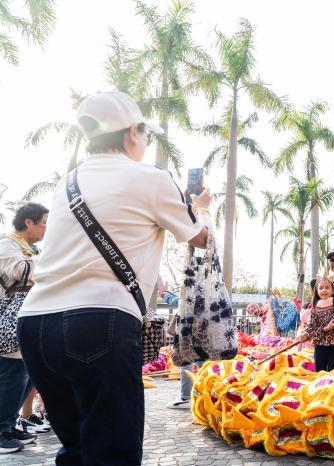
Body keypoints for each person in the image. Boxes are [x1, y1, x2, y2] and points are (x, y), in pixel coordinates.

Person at [17, 91, 212, 465]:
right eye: (145, 134)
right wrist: (200, 208)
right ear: (133, 132)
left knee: (76, 450)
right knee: (112, 455)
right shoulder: (151, 178)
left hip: (36, 326)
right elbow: (201, 238)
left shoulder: (67, 183)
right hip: (98, 322)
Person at [0, 203, 48, 454]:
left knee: (28, 375)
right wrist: (49, 257)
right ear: (28, 222)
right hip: (10, 318)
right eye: (43, 223)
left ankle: (9, 423)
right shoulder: (7, 245)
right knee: (12, 375)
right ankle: (2, 430)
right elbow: (19, 272)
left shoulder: (32, 249)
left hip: (29, 315)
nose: (45, 229)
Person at [299, 277, 334, 372]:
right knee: (319, 373)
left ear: (333, 291)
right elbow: (311, 328)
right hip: (319, 347)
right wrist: (306, 334)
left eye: (327, 288)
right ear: (316, 291)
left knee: (333, 373)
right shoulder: (315, 309)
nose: (324, 290)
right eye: (321, 288)